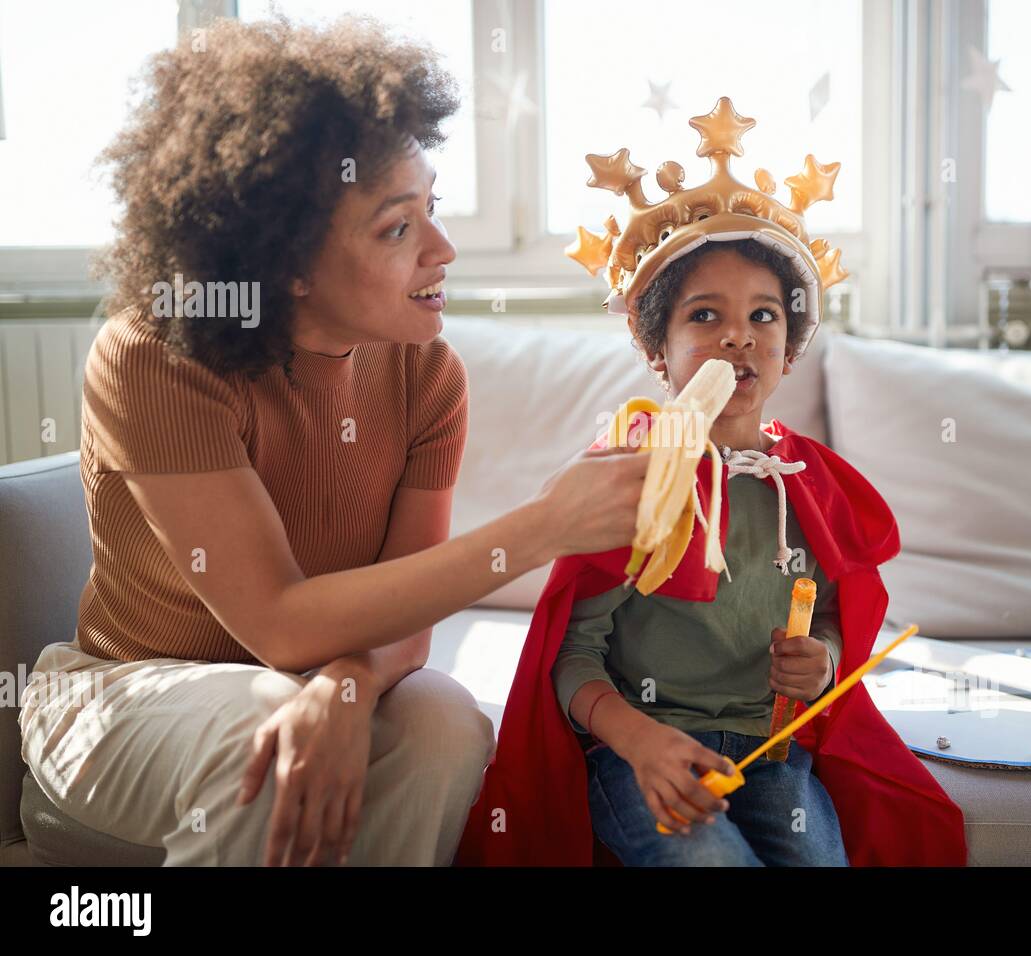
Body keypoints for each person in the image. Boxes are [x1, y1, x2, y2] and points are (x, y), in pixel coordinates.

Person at [17, 15, 647, 867]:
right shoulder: (153, 357)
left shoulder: (428, 375)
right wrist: (544, 525)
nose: (443, 248)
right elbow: (277, 623)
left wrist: (349, 687)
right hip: (119, 702)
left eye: (433, 208)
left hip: (298, 684)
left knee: (443, 722)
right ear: (287, 264)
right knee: (265, 732)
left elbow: (406, 614)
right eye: (397, 228)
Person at [456, 97, 968, 866]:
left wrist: (822, 656)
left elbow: (830, 613)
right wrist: (642, 741)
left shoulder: (809, 482)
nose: (739, 334)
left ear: (790, 348)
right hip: (641, 749)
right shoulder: (631, 472)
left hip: (771, 751)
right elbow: (573, 656)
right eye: (705, 314)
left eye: (765, 316)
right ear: (656, 348)